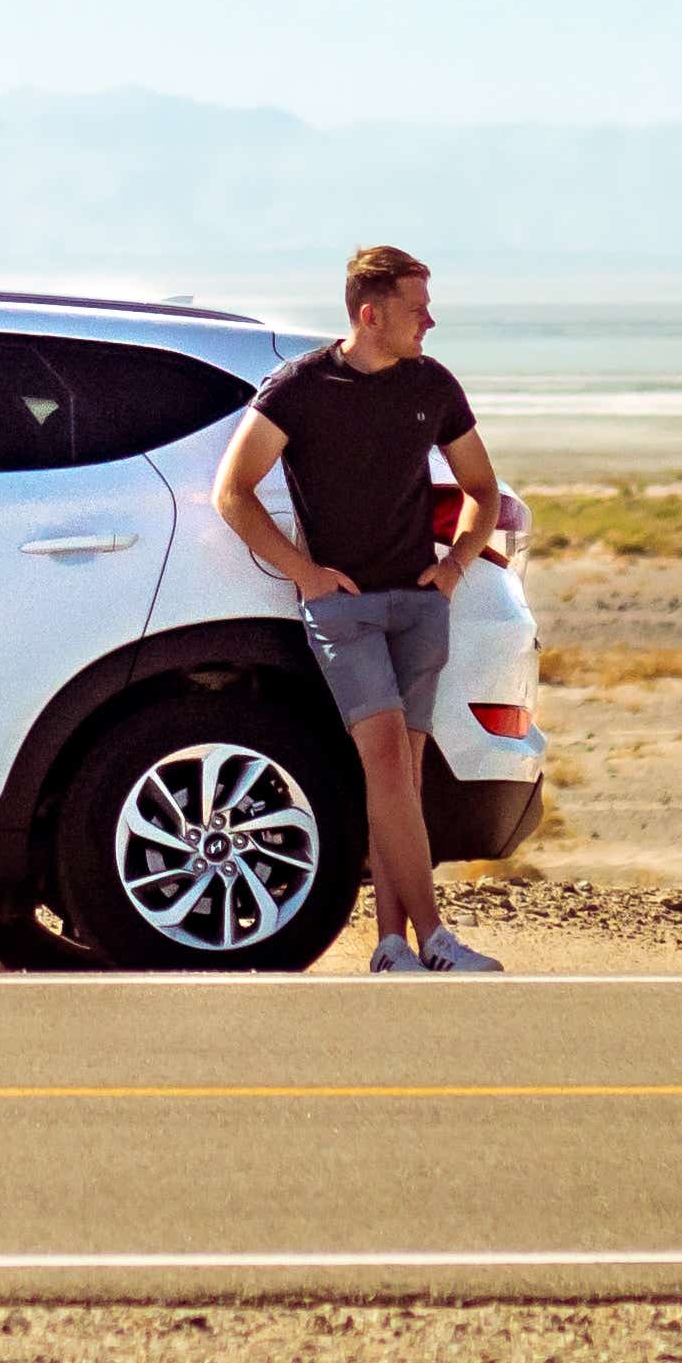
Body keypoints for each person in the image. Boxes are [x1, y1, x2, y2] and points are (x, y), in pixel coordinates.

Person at [212, 245, 511, 975]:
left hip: (419, 605)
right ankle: (435, 938)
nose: (430, 323)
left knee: (401, 779)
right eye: (417, 310)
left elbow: (483, 488)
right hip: (343, 613)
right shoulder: (299, 388)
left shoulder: (432, 386)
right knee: (382, 762)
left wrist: (452, 569)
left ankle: (389, 944)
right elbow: (233, 491)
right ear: (370, 314)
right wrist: (305, 574)